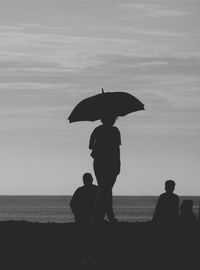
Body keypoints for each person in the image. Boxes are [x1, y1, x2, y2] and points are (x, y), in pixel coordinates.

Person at [89, 115, 121, 223]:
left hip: (105, 162)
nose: (114, 120)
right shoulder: (109, 131)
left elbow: (117, 149)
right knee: (105, 189)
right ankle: (106, 215)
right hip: (105, 162)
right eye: (112, 118)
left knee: (105, 190)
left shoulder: (104, 130)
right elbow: (91, 145)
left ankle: (99, 214)